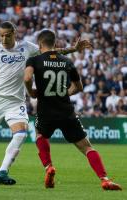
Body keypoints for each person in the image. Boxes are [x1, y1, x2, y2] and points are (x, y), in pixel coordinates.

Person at [0, 21, 92, 185]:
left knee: (21, 133)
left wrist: (73, 49)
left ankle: (2, 171)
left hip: (16, 101)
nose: (4, 39)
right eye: (1, 35)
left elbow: (49, 52)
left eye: (7, 35)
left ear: (14, 33)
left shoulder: (27, 47)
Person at [24, 29, 122, 190]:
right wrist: (63, 93)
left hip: (45, 110)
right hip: (66, 111)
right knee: (87, 147)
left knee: (40, 135)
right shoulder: (67, 61)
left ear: (40, 44)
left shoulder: (34, 60)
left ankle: (49, 167)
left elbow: (27, 78)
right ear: (55, 43)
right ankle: (104, 179)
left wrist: (31, 92)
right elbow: (79, 87)